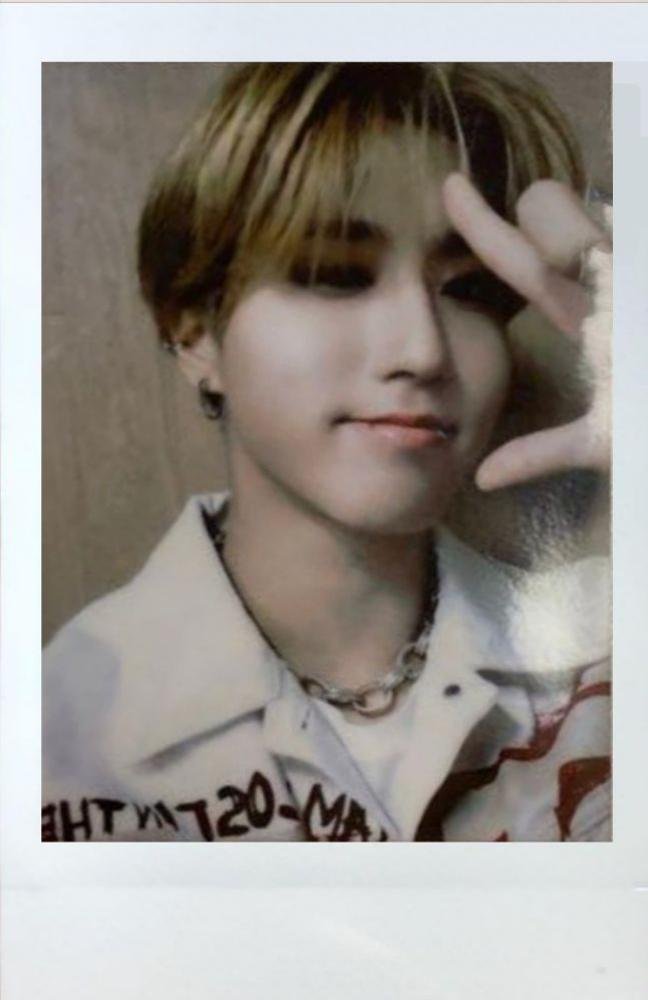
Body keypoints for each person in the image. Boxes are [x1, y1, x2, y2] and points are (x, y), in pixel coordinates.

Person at [42, 63, 611, 842]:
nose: (421, 350)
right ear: (195, 330)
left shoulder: (611, 645)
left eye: (470, 291)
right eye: (335, 275)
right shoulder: (55, 735)